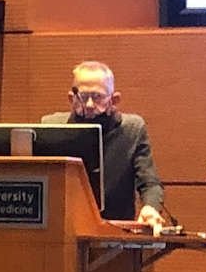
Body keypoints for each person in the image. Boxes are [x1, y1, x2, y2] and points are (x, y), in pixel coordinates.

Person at [42, 61, 165, 225]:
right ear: (71, 99)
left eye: (97, 97)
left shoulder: (132, 130)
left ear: (114, 100)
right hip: (61, 226)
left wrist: (150, 207)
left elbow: (149, 183)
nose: (89, 105)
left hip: (115, 228)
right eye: (83, 97)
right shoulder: (52, 126)